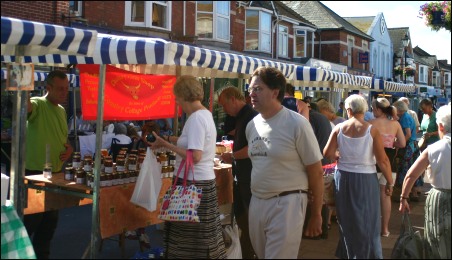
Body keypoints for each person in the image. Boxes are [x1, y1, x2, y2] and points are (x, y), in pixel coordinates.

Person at [245, 67, 324, 258]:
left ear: (275, 92)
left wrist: (316, 214)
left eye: (258, 89)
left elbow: (316, 171)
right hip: (257, 201)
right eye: (250, 89)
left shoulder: (297, 123)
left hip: (287, 202)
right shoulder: (252, 125)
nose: (251, 94)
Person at [149, 75, 226, 259]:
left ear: (184, 95)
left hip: (194, 185)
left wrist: (166, 145)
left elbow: (195, 156)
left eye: (177, 96)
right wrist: (166, 139)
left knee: (191, 240)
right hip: (199, 183)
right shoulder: (203, 114)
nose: (176, 100)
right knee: (196, 238)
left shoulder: (197, 118)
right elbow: (190, 142)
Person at [323, 94, 393, 259]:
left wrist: (340, 154)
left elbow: (327, 153)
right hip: (365, 178)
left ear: (349, 110)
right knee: (368, 221)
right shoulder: (371, 129)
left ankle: (349, 253)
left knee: (346, 220)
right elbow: (382, 160)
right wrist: (389, 181)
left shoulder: (339, 128)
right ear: (364, 109)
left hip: (343, 177)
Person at [24, 70, 73, 259]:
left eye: (67, 89)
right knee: (30, 223)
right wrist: (25, 82)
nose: (64, 92)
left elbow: (64, 140)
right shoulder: (38, 103)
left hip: (55, 175)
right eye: (60, 89)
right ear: (48, 88)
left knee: (48, 228)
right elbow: (26, 106)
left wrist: (69, 149)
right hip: (34, 174)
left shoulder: (61, 110)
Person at [399, 103, 451, 259]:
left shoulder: (433, 149)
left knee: (436, 242)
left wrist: (404, 198)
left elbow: (411, 175)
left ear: (441, 127)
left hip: (439, 198)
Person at [218, 86, 258, 259]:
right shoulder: (241, 116)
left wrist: (232, 156)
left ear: (233, 99)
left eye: (224, 105)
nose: (224, 109)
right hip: (242, 176)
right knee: (243, 219)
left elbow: (253, 147)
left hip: (249, 177)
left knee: (249, 220)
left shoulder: (250, 115)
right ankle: (246, 252)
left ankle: (251, 253)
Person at [369, 98, 406, 237]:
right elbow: (402, 143)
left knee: (371, 197)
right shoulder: (395, 124)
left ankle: (372, 228)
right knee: (386, 197)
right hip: (390, 162)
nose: (372, 112)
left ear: (379, 110)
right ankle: (385, 229)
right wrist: (391, 144)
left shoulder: (371, 124)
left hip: (373, 161)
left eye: (373, 109)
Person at [393, 100, 422, 201]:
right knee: (413, 168)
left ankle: (407, 193)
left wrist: (401, 143)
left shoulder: (404, 117)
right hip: (413, 145)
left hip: (409, 146)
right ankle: (414, 193)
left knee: (405, 168)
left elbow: (408, 134)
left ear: (399, 109)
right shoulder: (407, 116)